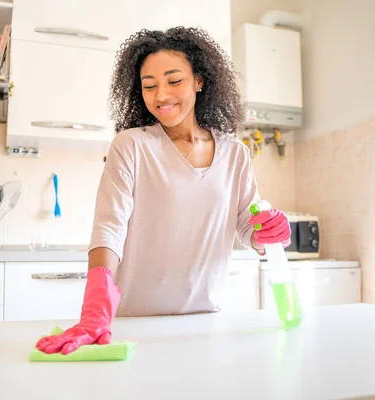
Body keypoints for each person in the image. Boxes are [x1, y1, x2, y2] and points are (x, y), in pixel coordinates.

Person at [36, 27, 291, 355]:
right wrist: (96, 306)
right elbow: (109, 227)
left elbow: (249, 226)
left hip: (206, 321)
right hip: (136, 323)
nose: (161, 95)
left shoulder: (235, 153)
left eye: (174, 81)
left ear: (199, 81)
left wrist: (269, 232)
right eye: (149, 86)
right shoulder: (132, 146)